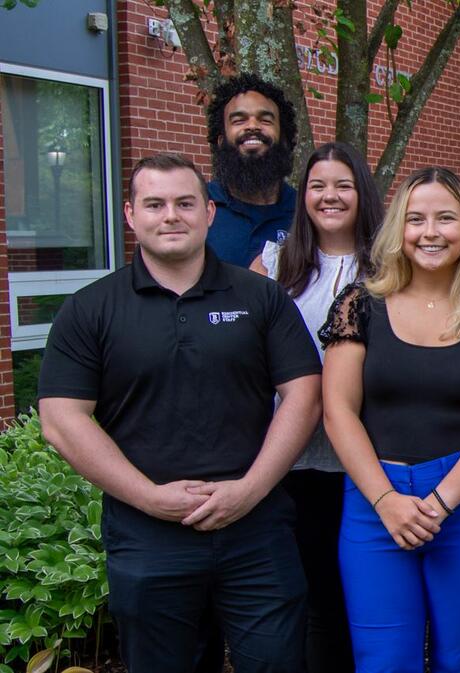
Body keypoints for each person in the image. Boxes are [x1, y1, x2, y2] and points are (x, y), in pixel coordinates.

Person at [38, 153, 321, 673]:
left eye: (185, 203)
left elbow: (304, 393)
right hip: (148, 536)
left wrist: (250, 489)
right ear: (130, 214)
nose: (171, 215)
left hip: (256, 531)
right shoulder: (90, 309)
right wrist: (150, 497)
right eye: (155, 204)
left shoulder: (260, 296)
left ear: (209, 213)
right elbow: (62, 419)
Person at [319, 167, 460, 672]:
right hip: (375, 505)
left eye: (445, 218)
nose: (430, 232)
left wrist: (440, 502)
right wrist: (387, 500)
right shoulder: (360, 306)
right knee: (383, 661)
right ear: (399, 229)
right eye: (416, 219)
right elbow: (338, 413)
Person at [247, 141, 382, 673]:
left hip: (368, 450)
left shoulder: (390, 260)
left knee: (361, 593)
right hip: (297, 456)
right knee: (313, 592)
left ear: (361, 192)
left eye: (343, 185)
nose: (330, 196)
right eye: (318, 186)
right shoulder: (276, 261)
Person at [204, 73, 300, 266]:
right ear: (221, 139)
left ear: (284, 137)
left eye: (265, 120)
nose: (253, 126)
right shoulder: (197, 208)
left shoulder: (305, 213)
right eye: (239, 120)